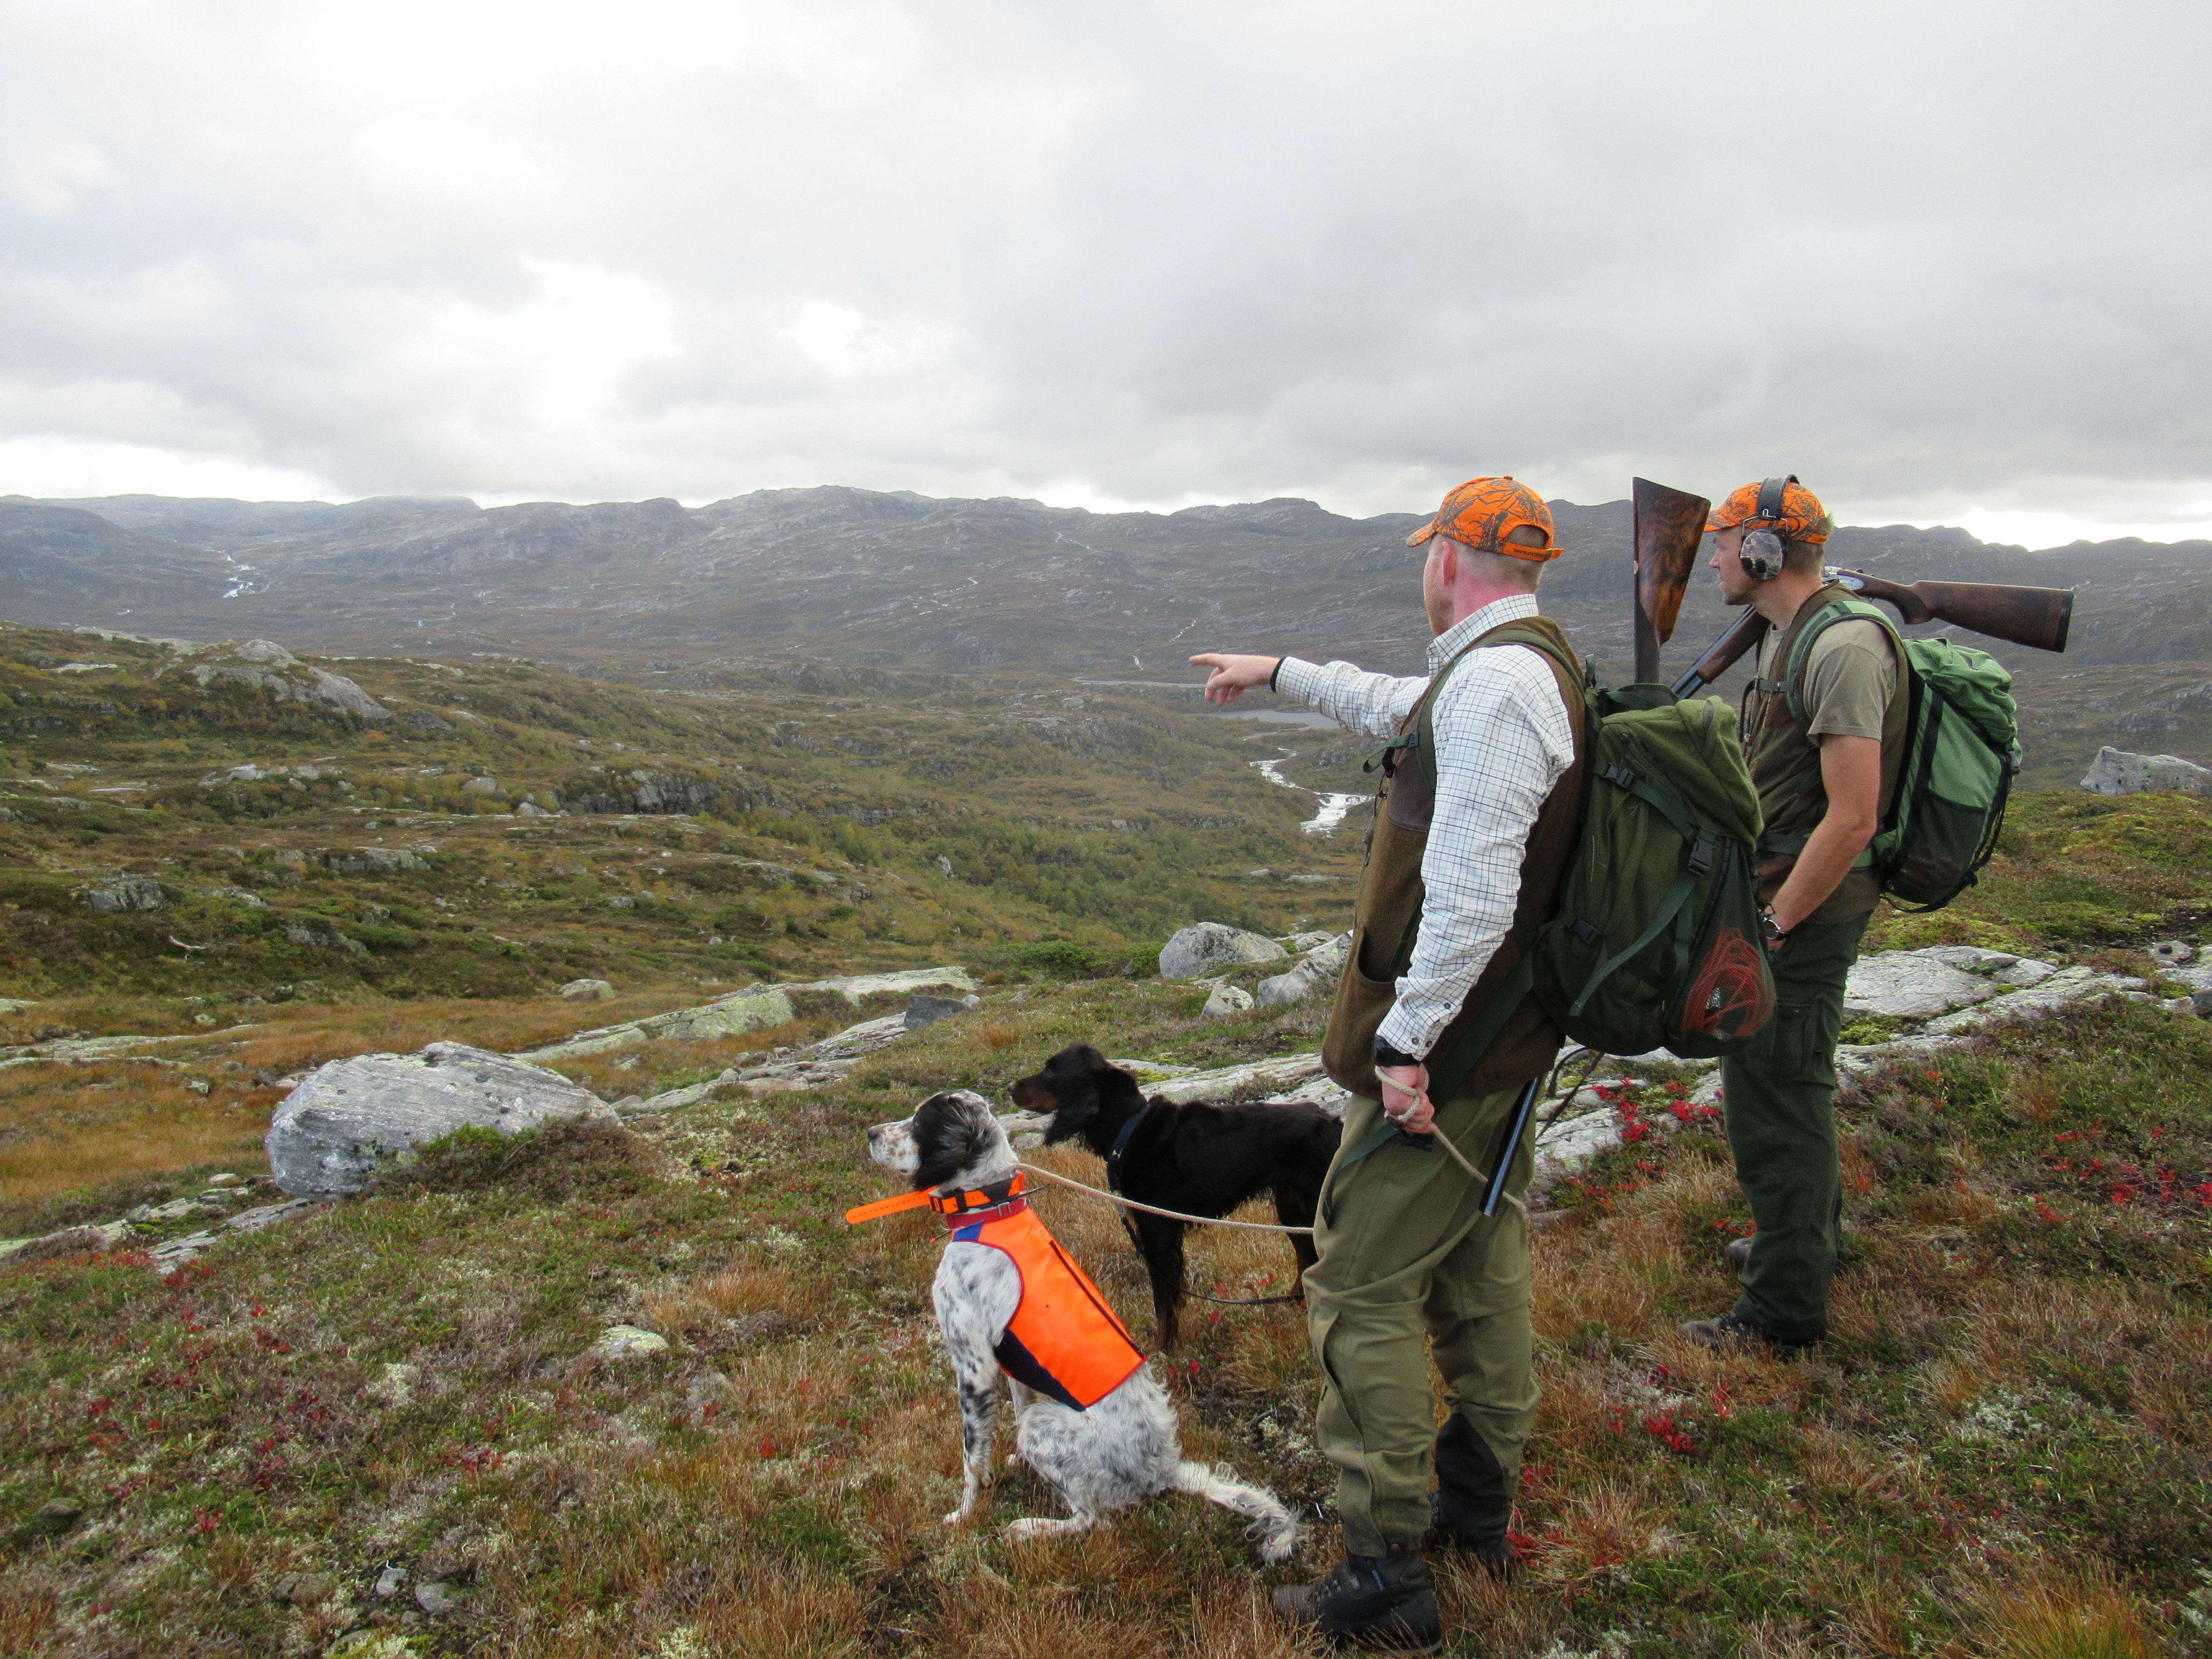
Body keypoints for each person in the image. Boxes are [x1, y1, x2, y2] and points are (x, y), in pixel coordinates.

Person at [1190, 476, 1586, 1654]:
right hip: (1497, 1045)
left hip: (1451, 1059)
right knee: (1477, 1266)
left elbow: (1468, 896)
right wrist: (1280, 672)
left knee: (1359, 1285)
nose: (1424, 567)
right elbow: (1397, 707)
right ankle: (1477, 1510)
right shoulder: (1506, 664)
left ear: (1453, 557)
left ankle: (1386, 1568)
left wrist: (1406, 1050)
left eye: (1430, 551)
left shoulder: (1505, 686)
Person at [1682, 476, 1904, 1354]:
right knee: (1779, 1086)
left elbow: (1853, 818)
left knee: (1779, 1096)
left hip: (1804, 911)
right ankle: (1805, 1243)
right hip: (1782, 898)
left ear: (1768, 551)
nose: (1715, 555)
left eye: (1727, 539)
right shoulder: (1791, 634)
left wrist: (1771, 929)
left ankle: (1782, 1312)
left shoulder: (1841, 647)